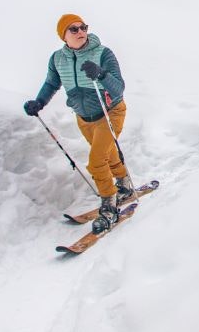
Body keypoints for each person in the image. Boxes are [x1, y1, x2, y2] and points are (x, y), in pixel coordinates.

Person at [24, 14, 133, 232]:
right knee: (106, 154)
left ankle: (109, 203)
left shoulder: (103, 53)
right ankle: (124, 184)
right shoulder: (57, 59)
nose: (80, 32)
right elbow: (51, 83)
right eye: (73, 29)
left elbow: (118, 89)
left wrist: (100, 74)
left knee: (96, 161)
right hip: (84, 117)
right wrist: (39, 102)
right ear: (63, 35)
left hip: (110, 112)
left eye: (83, 27)